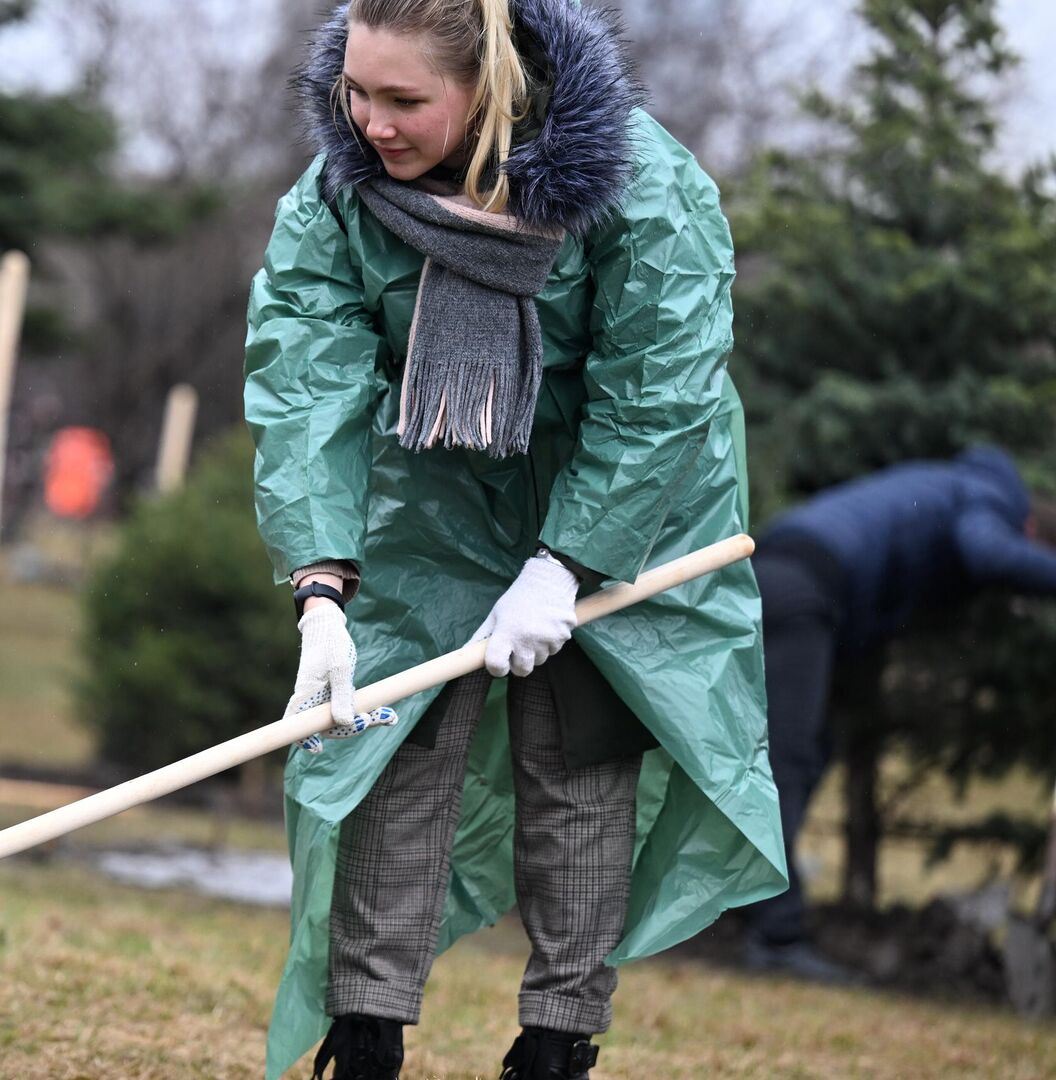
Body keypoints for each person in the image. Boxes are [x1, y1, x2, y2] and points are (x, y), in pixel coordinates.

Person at [243, 2, 785, 1078]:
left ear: (488, 88)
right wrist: (320, 587)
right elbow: (309, 385)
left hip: (631, 499)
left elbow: (660, 391)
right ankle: (364, 1033)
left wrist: (570, 561)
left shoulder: (641, 185)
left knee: (578, 751)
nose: (371, 123)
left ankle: (555, 1042)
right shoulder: (341, 195)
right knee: (389, 738)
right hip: (437, 486)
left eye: (404, 100)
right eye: (357, 91)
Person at [743, 448, 1056, 981]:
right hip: (801, 584)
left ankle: (757, 911)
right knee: (786, 760)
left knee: (806, 751)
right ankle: (775, 936)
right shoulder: (992, 499)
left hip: (782, 571)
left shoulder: (950, 484)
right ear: (1030, 528)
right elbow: (986, 553)